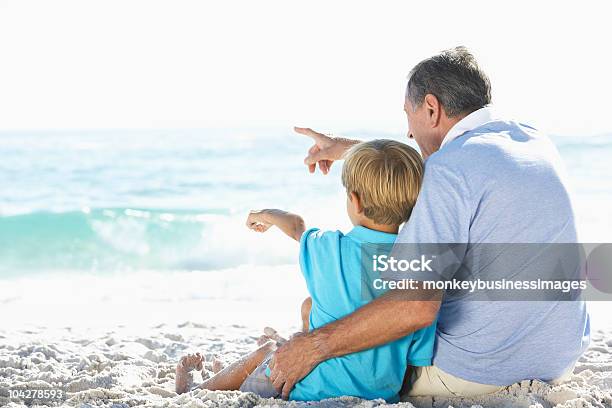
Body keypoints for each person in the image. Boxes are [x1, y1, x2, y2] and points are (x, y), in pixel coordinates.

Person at [267, 46, 590, 399]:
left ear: (432, 108)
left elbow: (415, 306)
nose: (407, 132)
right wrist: (346, 149)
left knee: (330, 324)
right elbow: (432, 171)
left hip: (480, 371)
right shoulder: (532, 141)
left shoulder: (447, 171)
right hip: (559, 357)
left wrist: (313, 346)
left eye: (409, 115)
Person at [175, 140, 437, 402]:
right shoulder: (422, 272)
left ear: (354, 201)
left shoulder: (329, 247)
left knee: (270, 350)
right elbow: (415, 358)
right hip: (378, 396)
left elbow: (296, 225)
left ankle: (195, 391)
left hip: (304, 391)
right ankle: (231, 376)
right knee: (309, 308)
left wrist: (264, 214)